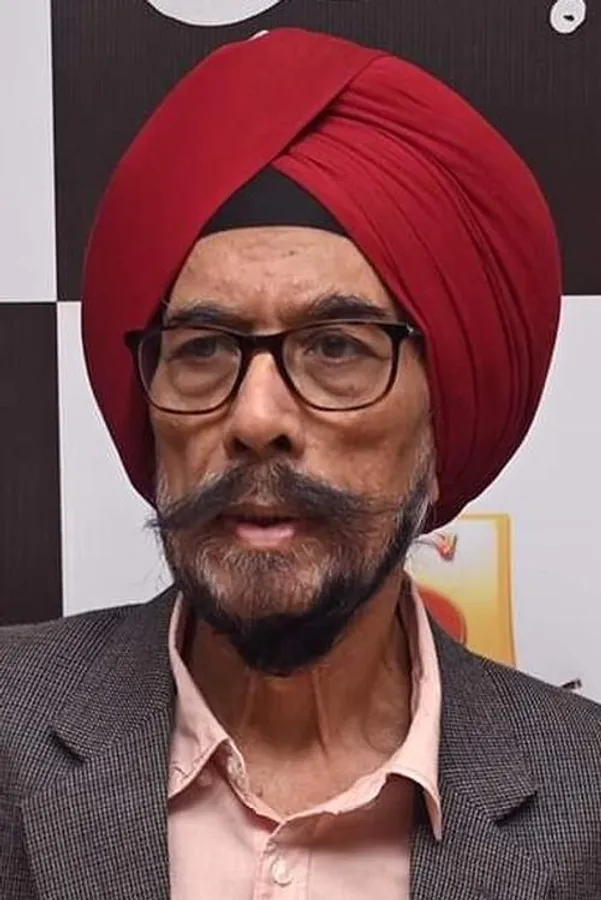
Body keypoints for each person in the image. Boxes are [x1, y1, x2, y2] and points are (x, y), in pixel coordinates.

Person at [1, 27, 599, 900]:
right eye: (203, 347)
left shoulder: (586, 801)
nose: (255, 418)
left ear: (442, 421)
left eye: (336, 347)